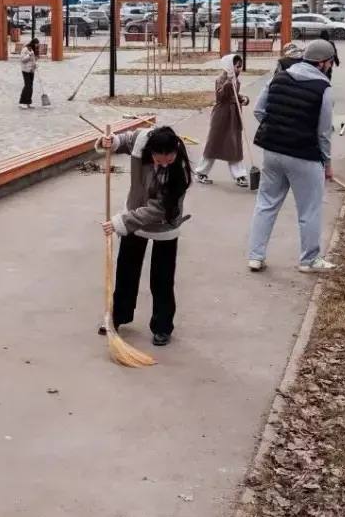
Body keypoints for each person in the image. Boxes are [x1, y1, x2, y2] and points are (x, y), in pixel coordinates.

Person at [246, 39, 337, 273]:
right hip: (304, 156)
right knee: (309, 209)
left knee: (266, 204)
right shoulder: (324, 88)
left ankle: (255, 256)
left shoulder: (279, 76)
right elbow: (323, 132)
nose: (329, 68)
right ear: (323, 63)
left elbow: (258, 110)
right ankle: (309, 260)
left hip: (272, 152)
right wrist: (327, 163)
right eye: (329, 64)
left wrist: (277, 127)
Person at [97, 126, 193, 346]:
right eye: (160, 161)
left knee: (162, 279)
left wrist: (120, 222)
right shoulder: (143, 142)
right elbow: (128, 139)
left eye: (170, 159)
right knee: (126, 271)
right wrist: (112, 141)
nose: (165, 164)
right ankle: (117, 316)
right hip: (134, 214)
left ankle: (162, 326)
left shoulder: (180, 172)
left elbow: (158, 209)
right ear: (151, 152)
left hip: (165, 226)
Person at [195, 54, 251, 187]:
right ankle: (201, 172)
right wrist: (228, 83)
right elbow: (220, 96)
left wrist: (243, 99)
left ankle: (240, 175)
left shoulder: (236, 80)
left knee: (235, 144)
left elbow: (235, 96)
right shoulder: (221, 79)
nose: (239, 70)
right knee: (214, 143)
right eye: (237, 67)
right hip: (221, 115)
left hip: (234, 115)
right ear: (229, 66)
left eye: (240, 67)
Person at [19, 38, 39, 109]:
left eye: (37, 45)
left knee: (30, 86)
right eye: (36, 44)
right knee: (27, 86)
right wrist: (29, 55)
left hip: (31, 70)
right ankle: (22, 102)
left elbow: (33, 60)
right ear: (33, 43)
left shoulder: (32, 50)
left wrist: (35, 65)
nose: (37, 46)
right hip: (25, 70)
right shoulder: (25, 49)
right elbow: (22, 59)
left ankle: (28, 102)